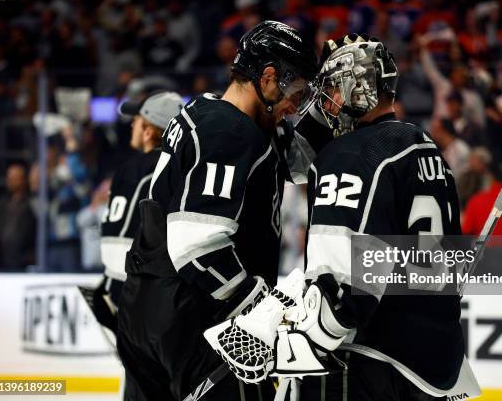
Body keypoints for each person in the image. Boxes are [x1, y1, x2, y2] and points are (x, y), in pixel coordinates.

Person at [206, 34, 470, 401]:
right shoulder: (423, 147)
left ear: (356, 90)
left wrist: (290, 347)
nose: (326, 104)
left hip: (371, 360)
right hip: (435, 360)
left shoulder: (350, 155)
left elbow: (343, 289)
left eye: (332, 89)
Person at [117, 21, 326, 401]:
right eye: (295, 89)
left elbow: (294, 162)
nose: (297, 103)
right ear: (268, 77)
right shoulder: (229, 132)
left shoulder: (209, 111)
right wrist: (263, 303)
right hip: (191, 315)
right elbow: (197, 246)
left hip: (147, 305)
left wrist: (338, 105)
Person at [83, 91, 184, 336]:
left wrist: (113, 291)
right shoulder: (184, 168)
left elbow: (118, 243)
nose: (131, 125)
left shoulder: (135, 168)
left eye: (137, 120)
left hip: (128, 294)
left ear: (149, 131)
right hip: (163, 295)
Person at [0, 163, 36, 270]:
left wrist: (31, 256)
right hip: (1, 260)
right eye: (9, 178)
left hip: (23, 261)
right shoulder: (1, 205)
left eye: (15, 178)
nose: (11, 181)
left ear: (24, 180)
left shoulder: (31, 204)